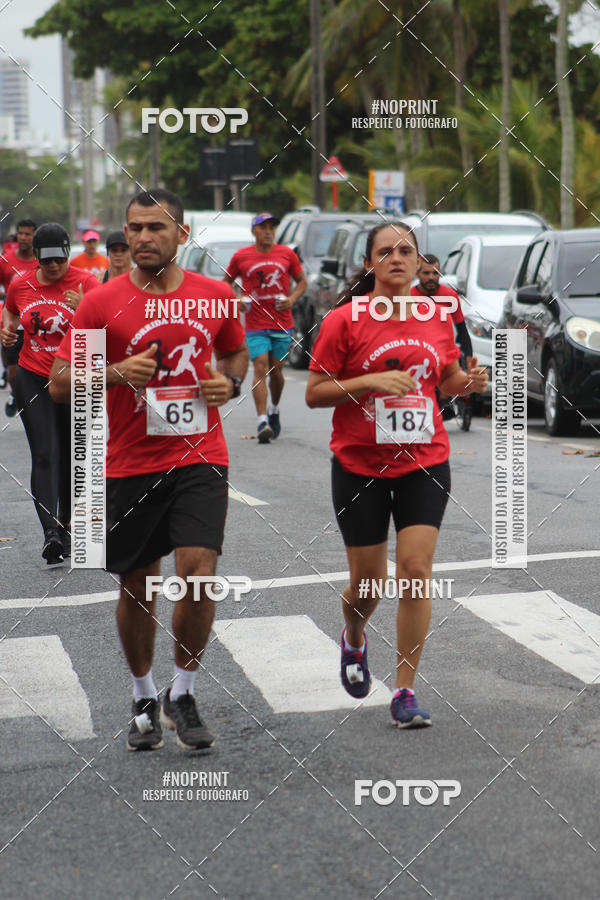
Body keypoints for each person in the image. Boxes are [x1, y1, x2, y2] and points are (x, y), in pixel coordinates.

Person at [50, 188, 248, 753]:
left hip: (199, 453)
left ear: (181, 235)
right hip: (129, 460)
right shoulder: (99, 302)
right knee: (138, 587)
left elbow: (234, 354)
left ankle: (181, 692)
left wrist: (228, 383)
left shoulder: (214, 296)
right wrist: (114, 373)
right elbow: (60, 382)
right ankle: (142, 692)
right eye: (134, 228)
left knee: (198, 570)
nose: (141, 238)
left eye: (155, 229)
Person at [305, 222, 488, 728]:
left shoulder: (436, 314)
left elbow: (445, 379)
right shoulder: (344, 321)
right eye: (385, 251)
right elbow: (315, 392)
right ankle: (354, 638)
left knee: (415, 569)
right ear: (369, 264)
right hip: (359, 464)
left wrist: (466, 382)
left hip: (424, 460)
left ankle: (404, 689)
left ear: (416, 260)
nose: (397, 257)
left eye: (405, 249)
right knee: (368, 584)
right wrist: (369, 381)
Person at [0, 223, 97, 564]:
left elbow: (107, 328)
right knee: (44, 452)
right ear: (37, 257)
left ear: (68, 253)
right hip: (32, 375)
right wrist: (7, 330)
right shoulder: (20, 283)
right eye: (47, 260)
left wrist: (85, 306)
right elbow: (10, 311)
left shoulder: (86, 282)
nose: (54, 267)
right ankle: (51, 534)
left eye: (60, 259)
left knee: (73, 455)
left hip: (74, 378)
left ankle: (68, 526)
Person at [223, 212, 307, 443]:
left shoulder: (286, 254)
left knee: (276, 371)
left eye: (272, 227)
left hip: (282, 323)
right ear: (254, 231)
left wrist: (292, 299)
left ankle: (274, 409)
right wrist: (236, 301)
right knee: (260, 367)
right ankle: (262, 422)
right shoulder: (242, 256)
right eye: (263, 227)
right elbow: (225, 283)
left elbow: (302, 282)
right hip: (255, 323)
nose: (268, 231)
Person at [0, 219, 38, 415]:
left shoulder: (41, 262)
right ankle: (16, 392)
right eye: (20, 234)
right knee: (14, 370)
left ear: (35, 236)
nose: (23, 238)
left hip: (36, 323)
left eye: (27, 234)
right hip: (13, 321)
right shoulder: (5, 260)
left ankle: (35, 403)